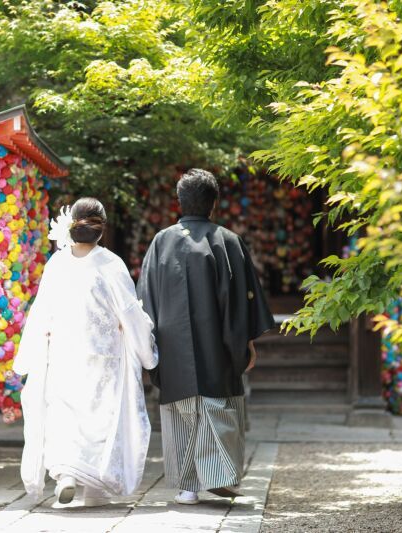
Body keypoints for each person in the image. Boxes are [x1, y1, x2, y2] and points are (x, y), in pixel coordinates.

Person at [137, 168, 274, 505]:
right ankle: (219, 474)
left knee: (182, 411)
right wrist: (246, 343)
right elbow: (242, 304)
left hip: (173, 347)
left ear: (179, 202)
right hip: (218, 344)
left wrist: (148, 346)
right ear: (213, 204)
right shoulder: (227, 242)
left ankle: (188, 486)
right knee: (216, 406)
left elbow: (146, 301)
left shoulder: (161, 242)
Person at [14, 197, 158, 507]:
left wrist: (28, 354)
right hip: (103, 357)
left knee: (66, 416)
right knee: (102, 420)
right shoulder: (111, 264)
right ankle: (96, 489)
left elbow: (41, 312)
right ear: (101, 230)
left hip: (64, 354)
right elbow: (130, 312)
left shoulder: (57, 263)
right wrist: (146, 350)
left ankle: (66, 475)